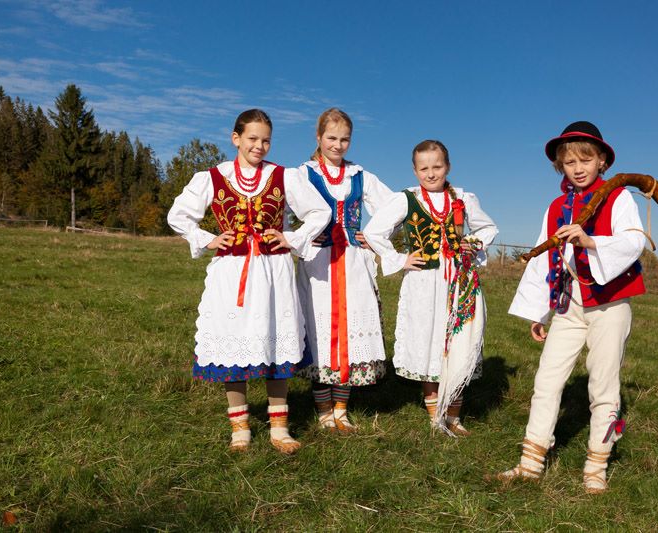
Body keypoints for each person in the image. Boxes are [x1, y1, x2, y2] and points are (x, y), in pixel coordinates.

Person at [167, 108, 331, 454]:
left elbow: (320, 212)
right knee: (233, 343)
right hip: (232, 271)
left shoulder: (283, 177)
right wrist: (207, 238)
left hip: (274, 270)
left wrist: (292, 237)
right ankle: (239, 428)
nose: (259, 146)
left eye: (266, 140)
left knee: (276, 342)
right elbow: (178, 215)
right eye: (252, 138)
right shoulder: (212, 177)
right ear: (236, 138)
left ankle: (279, 428)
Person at [495, 121, 646, 493]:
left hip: (610, 304)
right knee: (547, 378)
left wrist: (590, 241)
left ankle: (596, 465)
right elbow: (542, 256)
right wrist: (539, 311)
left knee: (603, 383)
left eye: (585, 159)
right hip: (569, 302)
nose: (577, 168)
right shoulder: (557, 206)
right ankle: (531, 461)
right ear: (560, 166)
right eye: (569, 162)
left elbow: (633, 243)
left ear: (601, 161)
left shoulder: (618, 198)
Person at [363, 140, 498, 436]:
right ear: (414, 170)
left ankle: (455, 416)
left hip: (458, 281)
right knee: (429, 341)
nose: (431, 173)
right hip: (423, 284)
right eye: (424, 168)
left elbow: (488, 228)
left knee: (457, 343)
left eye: (437, 166)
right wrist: (399, 258)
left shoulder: (463, 198)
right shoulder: (406, 198)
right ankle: (435, 416)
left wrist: (473, 244)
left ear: (447, 166)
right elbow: (374, 231)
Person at [296, 108, 394, 432]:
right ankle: (323, 409)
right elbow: (285, 209)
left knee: (350, 329)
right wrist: (302, 236)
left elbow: (394, 207)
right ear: (319, 137)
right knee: (321, 330)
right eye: (331, 138)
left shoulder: (360, 176)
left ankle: (341, 408)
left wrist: (375, 236)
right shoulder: (305, 174)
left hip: (352, 261)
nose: (338, 145)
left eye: (344, 139)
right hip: (319, 263)